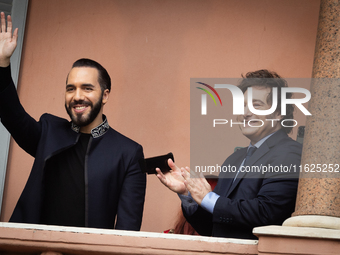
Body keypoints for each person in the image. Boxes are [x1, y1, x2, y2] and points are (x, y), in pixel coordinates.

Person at [0, 12, 146, 230]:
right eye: (71, 89)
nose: (77, 96)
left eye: (87, 88)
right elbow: (12, 115)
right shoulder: (48, 131)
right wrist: (2, 65)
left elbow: (127, 231)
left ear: (105, 95)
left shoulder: (128, 153)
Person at [157, 69, 302, 239]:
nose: (246, 113)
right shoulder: (233, 160)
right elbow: (213, 228)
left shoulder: (291, 153)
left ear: (278, 114)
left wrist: (208, 198)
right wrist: (187, 195)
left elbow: (267, 212)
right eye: (243, 106)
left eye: (257, 105)